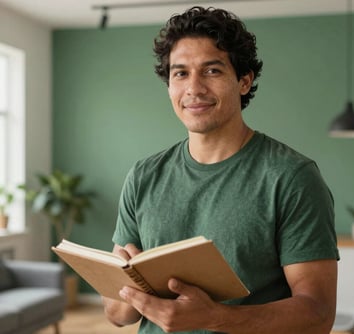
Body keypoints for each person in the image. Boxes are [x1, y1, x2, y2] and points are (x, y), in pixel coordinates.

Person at [102, 6, 339, 334]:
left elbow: (319, 314)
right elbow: (117, 315)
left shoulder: (292, 177)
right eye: (180, 73)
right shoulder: (143, 176)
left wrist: (216, 317)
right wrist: (134, 286)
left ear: (244, 81)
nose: (193, 88)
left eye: (211, 71)